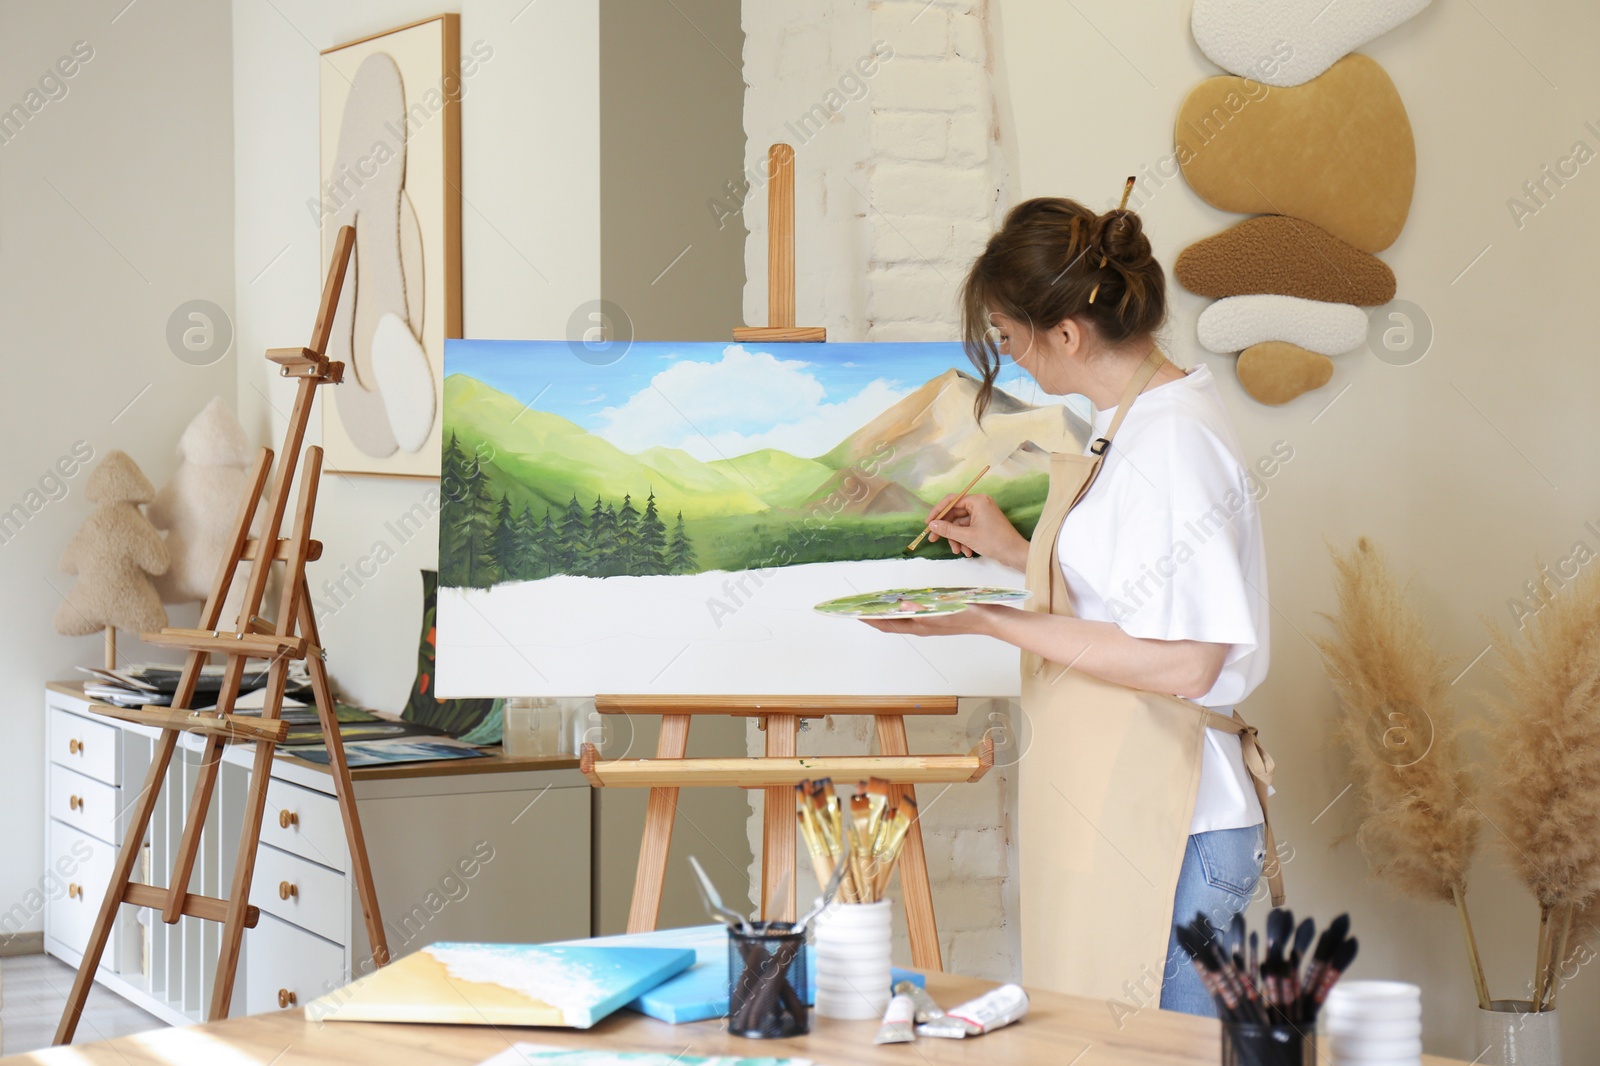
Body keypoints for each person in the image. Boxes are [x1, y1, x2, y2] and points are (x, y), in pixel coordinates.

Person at [862, 193, 1284, 1017]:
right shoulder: (1130, 422)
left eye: (1010, 338)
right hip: (1133, 803)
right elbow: (1137, 589)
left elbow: (1188, 660)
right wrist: (1015, 551)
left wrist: (992, 617)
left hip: (1174, 821)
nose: (1011, 358)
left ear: (1066, 333)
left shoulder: (1171, 441)